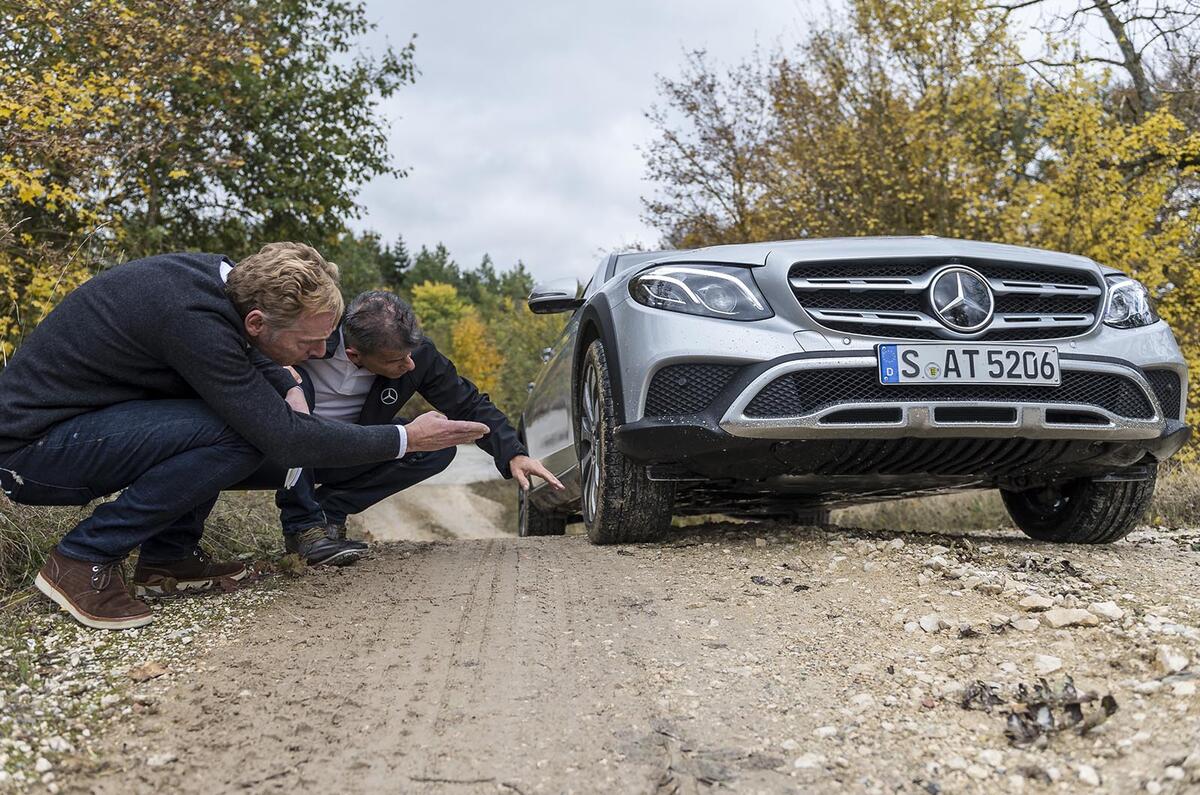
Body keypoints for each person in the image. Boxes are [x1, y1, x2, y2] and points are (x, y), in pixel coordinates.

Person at [0, 245, 489, 630]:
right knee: (243, 432)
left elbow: (246, 352)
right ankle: (83, 556)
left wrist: (287, 383)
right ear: (257, 322)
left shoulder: (222, 282)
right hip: (34, 452)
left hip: (85, 429)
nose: (323, 351)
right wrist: (406, 437)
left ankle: (169, 560)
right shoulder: (192, 317)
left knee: (236, 420)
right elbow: (285, 440)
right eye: (310, 342)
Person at [269, 290, 563, 565]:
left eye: (410, 353)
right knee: (295, 393)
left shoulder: (418, 356)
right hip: (280, 454)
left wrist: (513, 453)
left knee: (438, 445)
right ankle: (303, 530)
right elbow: (256, 346)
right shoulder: (312, 335)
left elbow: (467, 403)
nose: (409, 365)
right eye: (397, 359)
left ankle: (328, 512)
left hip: (351, 450)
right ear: (355, 354)